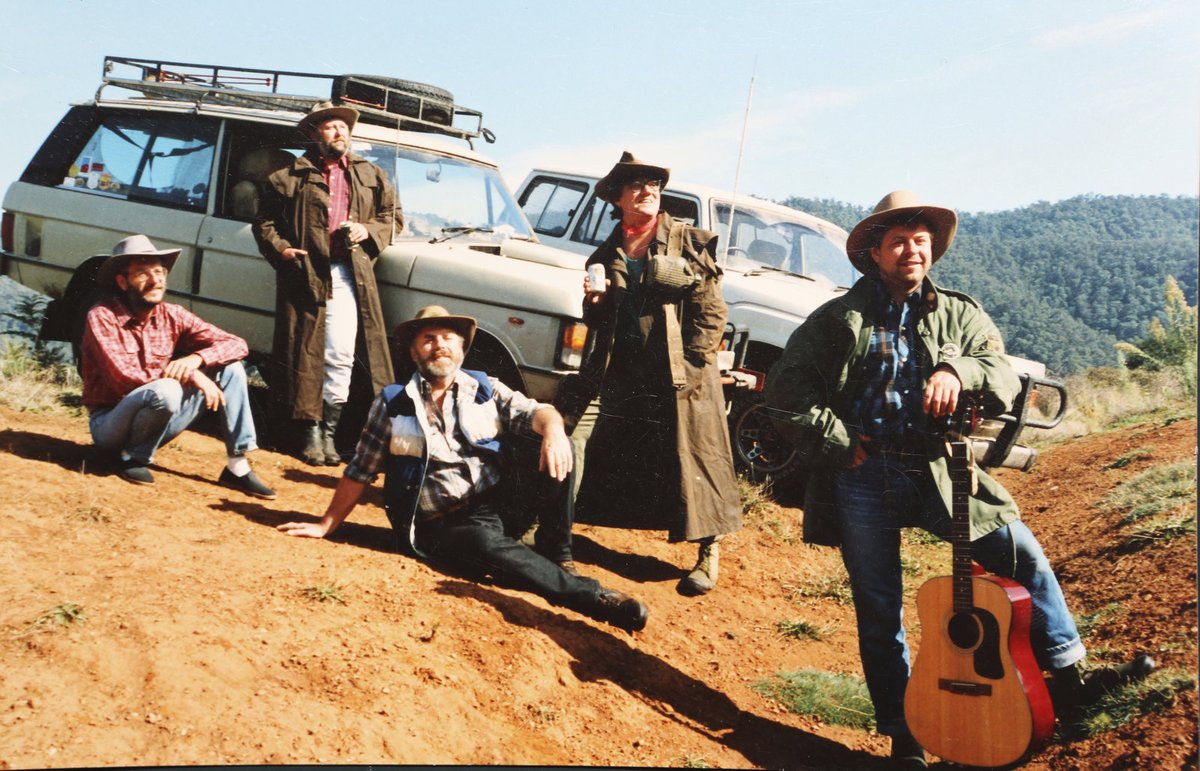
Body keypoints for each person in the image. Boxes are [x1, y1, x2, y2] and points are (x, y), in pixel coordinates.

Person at [763, 190, 1154, 767]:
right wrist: (840, 443)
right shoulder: (836, 319)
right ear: (873, 252)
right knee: (879, 607)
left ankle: (1070, 681)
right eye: (897, 241)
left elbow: (1000, 373)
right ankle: (906, 734)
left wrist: (957, 367)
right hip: (864, 474)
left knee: (1020, 555)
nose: (911, 251)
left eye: (920, 240)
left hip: (942, 470)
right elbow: (786, 393)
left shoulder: (960, 313)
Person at [277, 306, 649, 634]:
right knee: (487, 547)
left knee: (554, 441)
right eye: (427, 339)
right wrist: (327, 524)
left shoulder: (486, 388)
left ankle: (558, 552)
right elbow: (361, 470)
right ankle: (593, 597)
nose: (439, 345)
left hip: (496, 503)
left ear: (461, 347)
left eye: (447, 338)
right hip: (444, 524)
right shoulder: (392, 403)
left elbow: (539, 412)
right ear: (412, 351)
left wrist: (553, 431)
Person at [558, 151, 742, 596]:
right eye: (636, 184)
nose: (647, 190)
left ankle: (707, 553)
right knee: (575, 441)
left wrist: (695, 363)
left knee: (695, 458)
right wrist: (594, 305)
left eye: (653, 183)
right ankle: (557, 540)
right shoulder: (605, 254)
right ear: (617, 198)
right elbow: (597, 321)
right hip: (619, 372)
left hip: (680, 374)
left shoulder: (685, 241)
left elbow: (712, 310)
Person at [253, 101, 397, 466]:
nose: (340, 133)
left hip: (350, 273)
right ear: (316, 134)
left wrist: (368, 230)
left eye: (345, 128)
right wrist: (283, 251)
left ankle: (330, 433)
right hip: (306, 273)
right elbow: (264, 224)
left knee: (340, 355)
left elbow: (392, 218)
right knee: (305, 353)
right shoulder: (288, 176)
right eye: (332, 128)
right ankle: (310, 433)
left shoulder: (372, 175)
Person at [81, 234, 276, 499]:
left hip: (155, 422)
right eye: (142, 273)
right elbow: (125, 378)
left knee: (231, 369)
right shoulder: (102, 316)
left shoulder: (172, 315)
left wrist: (197, 359)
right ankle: (130, 458)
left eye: (159, 271)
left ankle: (237, 466)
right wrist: (193, 376)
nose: (155, 280)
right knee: (167, 390)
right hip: (110, 425)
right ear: (122, 281)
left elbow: (237, 344)